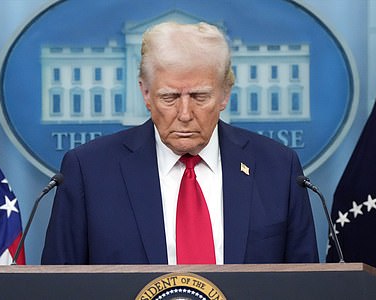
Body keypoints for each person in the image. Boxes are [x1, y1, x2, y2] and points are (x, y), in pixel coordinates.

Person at [41, 21, 318, 265]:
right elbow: (57, 287)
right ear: (146, 93)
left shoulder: (278, 169)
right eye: (170, 98)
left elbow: (307, 288)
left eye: (199, 97)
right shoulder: (89, 171)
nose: (185, 115)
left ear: (224, 95)